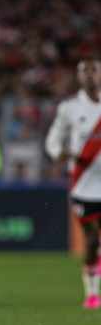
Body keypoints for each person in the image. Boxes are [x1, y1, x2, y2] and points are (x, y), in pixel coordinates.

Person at [45, 59, 101, 309]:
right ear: (79, 76)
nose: (90, 75)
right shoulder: (69, 108)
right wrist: (60, 153)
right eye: (85, 71)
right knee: (90, 240)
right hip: (83, 183)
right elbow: (53, 140)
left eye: (94, 70)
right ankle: (92, 293)